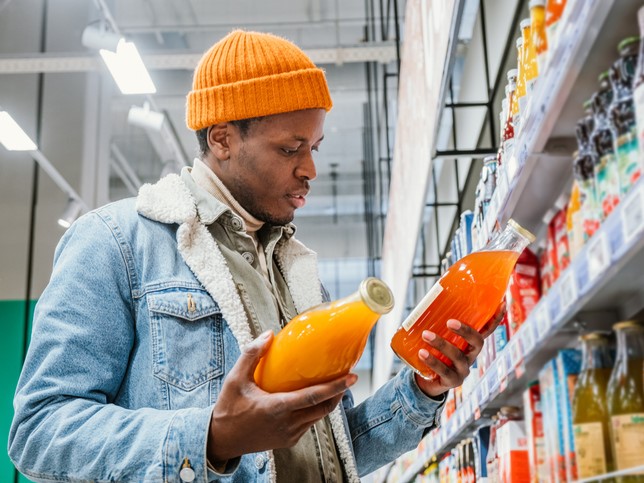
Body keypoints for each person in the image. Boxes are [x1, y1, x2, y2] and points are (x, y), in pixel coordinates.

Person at [9, 30, 502, 482]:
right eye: (291, 148)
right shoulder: (115, 241)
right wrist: (212, 437)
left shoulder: (296, 271)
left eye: (314, 146)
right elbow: (40, 430)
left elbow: (328, 449)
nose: (310, 168)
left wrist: (422, 389)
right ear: (222, 138)